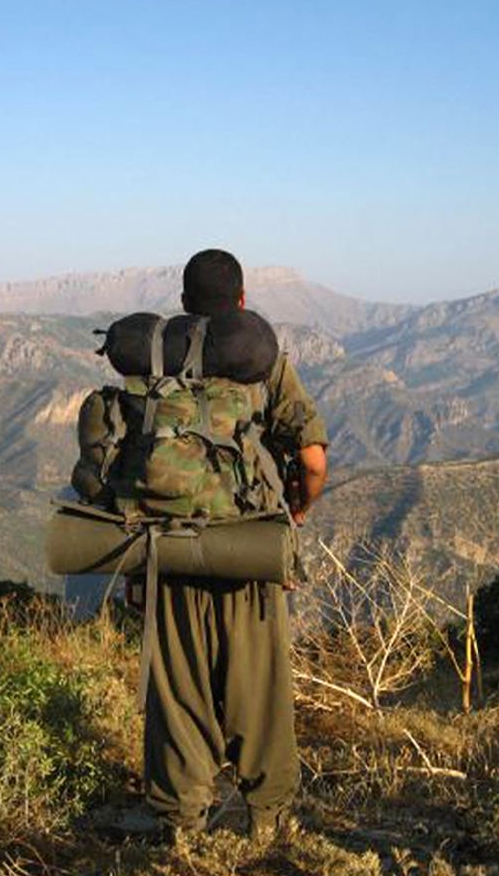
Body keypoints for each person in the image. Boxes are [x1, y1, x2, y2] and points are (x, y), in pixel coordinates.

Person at [140, 248, 329, 840]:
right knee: (258, 691)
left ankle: (181, 828)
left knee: (178, 694)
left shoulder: (156, 358)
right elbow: (313, 458)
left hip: (168, 551)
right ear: (242, 302)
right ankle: (267, 820)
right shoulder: (261, 357)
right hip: (247, 549)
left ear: (184, 306)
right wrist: (295, 511)